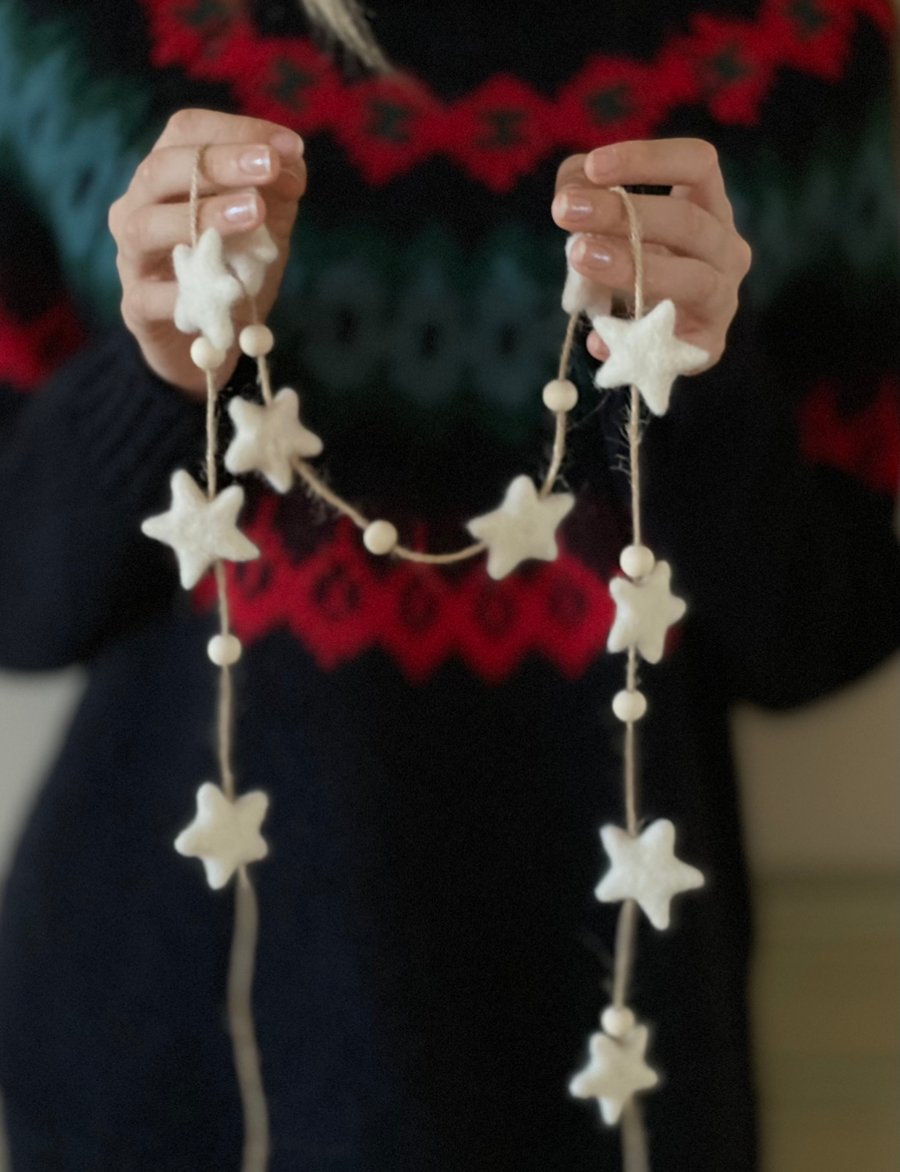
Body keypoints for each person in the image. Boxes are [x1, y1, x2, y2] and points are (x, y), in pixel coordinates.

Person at [0, 0, 898, 1168]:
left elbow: (822, 631)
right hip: (164, 1042)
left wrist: (692, 390)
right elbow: (19, 597)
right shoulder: (82, 31)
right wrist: (161, 377)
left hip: (608, 1051)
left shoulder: (802, 48)